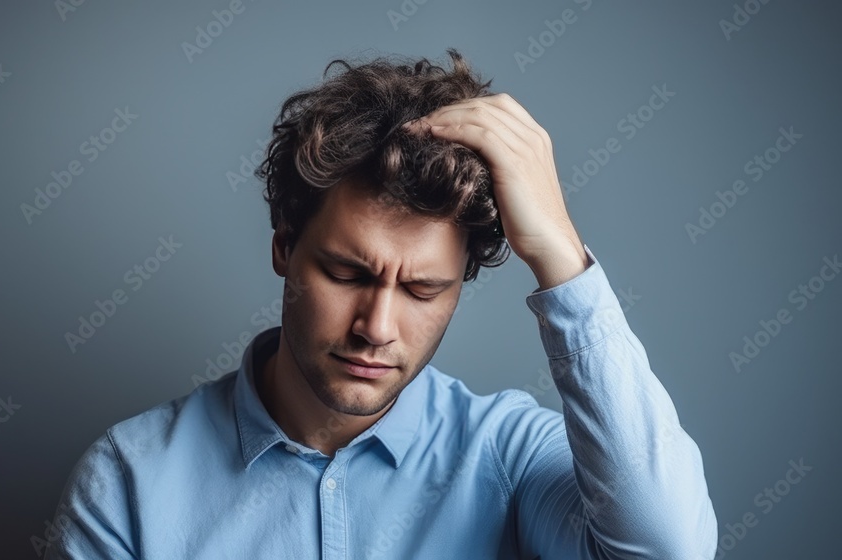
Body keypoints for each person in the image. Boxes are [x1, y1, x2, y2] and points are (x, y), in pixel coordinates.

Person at [42, 48, 718, 559]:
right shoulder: (131, 481)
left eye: (423, 289)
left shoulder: (509, 456)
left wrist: (561, 258)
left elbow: (669, 549)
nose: (377, 328)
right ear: (284, 247)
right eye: (345, 273)